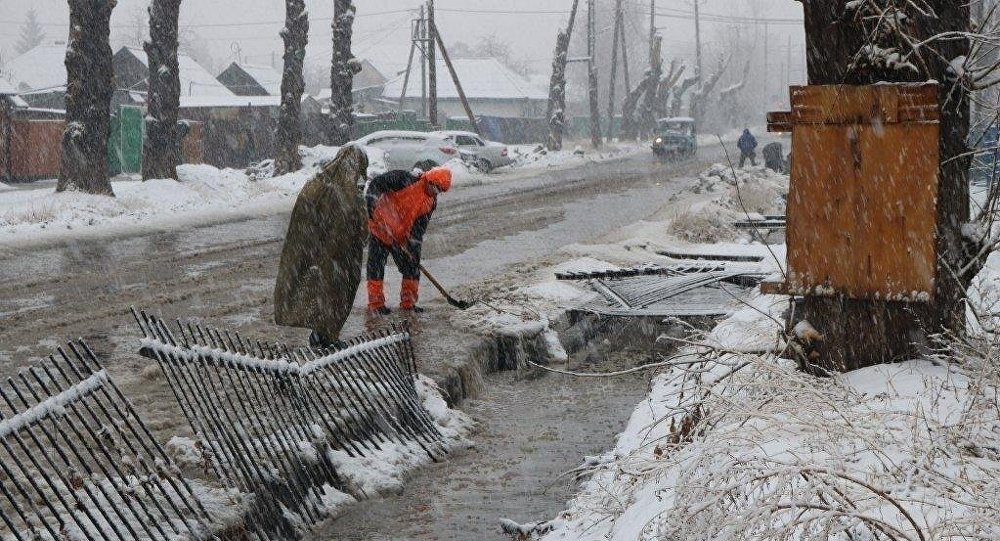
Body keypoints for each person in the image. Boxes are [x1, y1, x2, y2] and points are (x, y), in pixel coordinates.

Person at [273, 145, 368, 348]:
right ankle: (326, 335)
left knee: (318, 291)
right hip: (341, 256)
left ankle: (321, 333)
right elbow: (362, 231)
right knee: (337, 295)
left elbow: (303, 218)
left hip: (315, 251)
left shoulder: (316, 184)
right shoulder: (351, 193)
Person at [365, 163, 452, 314]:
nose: (436, 192)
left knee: (412, 267)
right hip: (380, 229)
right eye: (435, 187)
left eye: (440, 191)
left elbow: (419, 229)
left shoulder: (430, 202)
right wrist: (372, 206)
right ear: (429, 180)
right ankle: (376, 304)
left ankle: (408, 304)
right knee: (376, 268)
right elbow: (376, 184)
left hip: (400, 237)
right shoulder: (404, 179)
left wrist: (413, 248)